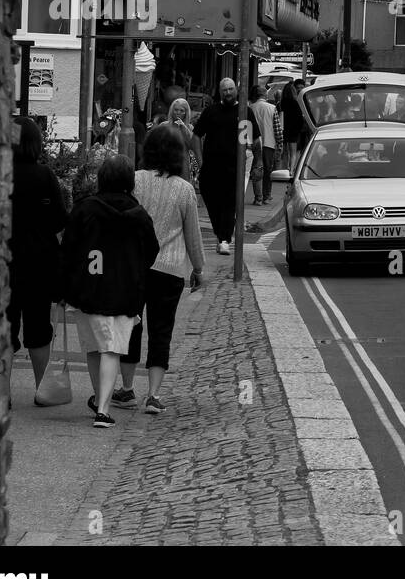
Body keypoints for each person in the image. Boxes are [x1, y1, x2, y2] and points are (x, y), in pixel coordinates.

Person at [111, 125, 205, 415]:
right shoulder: (185, 190)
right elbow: (193, 236)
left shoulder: (134, 181)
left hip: (135, 267)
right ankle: (153, 394)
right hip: (170, 269)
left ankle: (126, 390)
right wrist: (199, 269)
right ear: (178, 155)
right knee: (162, 331)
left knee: (132, 326)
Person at [60, 155, 159, 429]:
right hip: (124, 292)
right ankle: (103, 408)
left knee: (93, 348)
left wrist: (65, 285)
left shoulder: (85, 209)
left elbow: (68, 249)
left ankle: (98, 398)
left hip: (87, 291)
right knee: (112, 349)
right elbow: (151, 251)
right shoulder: (139, 216)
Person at [8, 116, 68, 398]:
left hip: (4, 262)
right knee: (38, 326)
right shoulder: (45, 175)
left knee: (4, 325)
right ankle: (42, 388)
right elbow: (59, 221)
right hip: (38, 261)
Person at [193, 78, 258, 256]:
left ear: (236, 90)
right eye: (224, 90)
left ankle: (224, 240)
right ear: (220, 92)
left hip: (234, 170)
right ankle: (219, 234)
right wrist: (200, 162)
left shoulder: (244, 112)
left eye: (230, 89)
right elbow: (196, 136)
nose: (228, 93)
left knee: (229, 205)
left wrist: (256, 165)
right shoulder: (211, 111)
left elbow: (250, 142)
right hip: (210, 169)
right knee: (213, 204)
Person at [250, 84, 278, 206]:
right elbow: (277, 129)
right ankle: (267, 196)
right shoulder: (272, 108)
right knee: (267, 170)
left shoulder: (250, 107)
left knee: (256, 169)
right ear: (265, 95)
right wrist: (280, 144)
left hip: (254, 142)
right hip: (268, 143)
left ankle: (258, 197)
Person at [280, 79, 304, 170]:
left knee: (285, 152)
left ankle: (284, 169)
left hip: (284, 129)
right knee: (293, 153)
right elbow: (299, 118)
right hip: (294, 130)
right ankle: (291, 170)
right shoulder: (296, 103)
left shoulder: (281, 103)